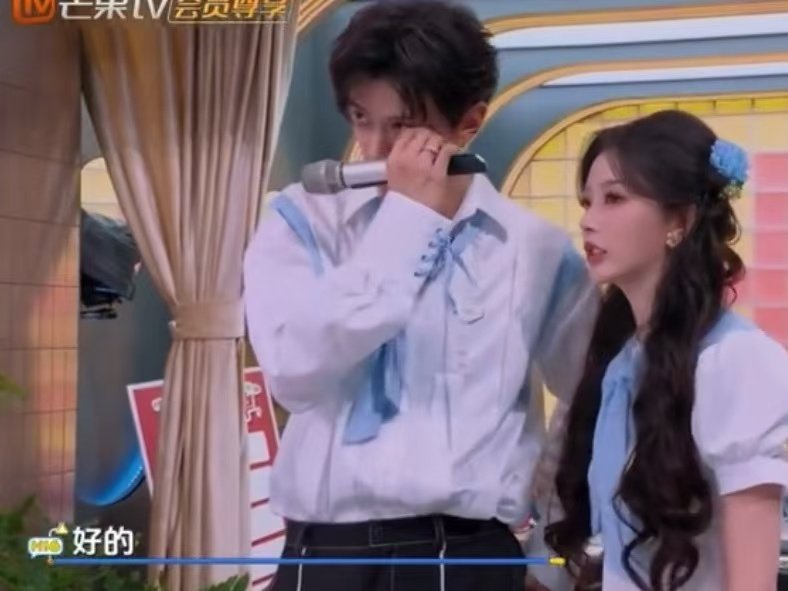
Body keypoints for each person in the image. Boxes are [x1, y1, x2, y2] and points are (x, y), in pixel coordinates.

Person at [243, 1, 597, 589]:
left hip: (470, 552)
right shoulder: (300, 219)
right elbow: (293, 373)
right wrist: (406, 222)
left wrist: (551, 551)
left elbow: (591, 404)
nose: (375, 148)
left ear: (469, 122)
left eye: (403, 126)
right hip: (325, 550)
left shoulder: (533, 249)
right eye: (361, 118)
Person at [540, 109, 788, 591]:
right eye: (587, 202)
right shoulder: (624, 362)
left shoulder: (734, 361)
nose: (588, 221)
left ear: (679, 219)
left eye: (614, 199)